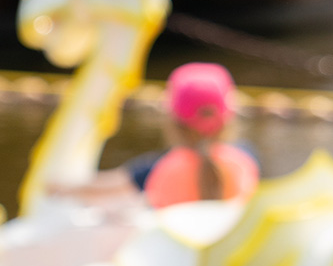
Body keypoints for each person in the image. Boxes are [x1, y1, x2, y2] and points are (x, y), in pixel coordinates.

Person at [49, 62, 259, 208]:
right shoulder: (248, 159)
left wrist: (61, 188)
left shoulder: (158, 169)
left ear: (173, 122)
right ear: (229, 119)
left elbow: (104, 187)